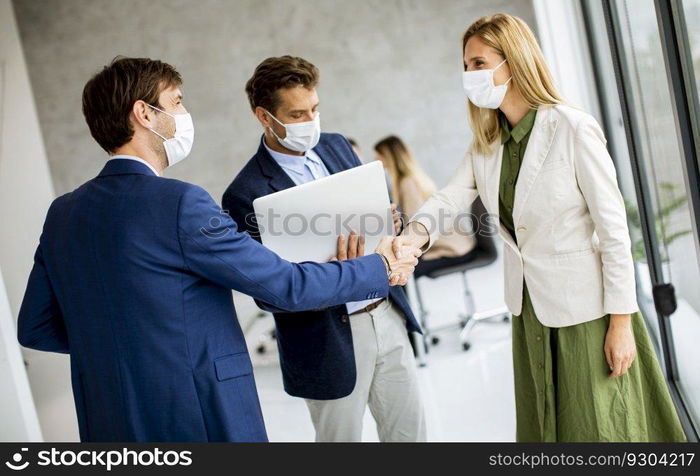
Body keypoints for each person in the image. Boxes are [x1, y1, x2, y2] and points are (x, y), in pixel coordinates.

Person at [16, 57, 420, 443]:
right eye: (176, 102)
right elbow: (284, 284)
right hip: (196, 407)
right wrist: (379, 265)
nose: (184, 113)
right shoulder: (180, 203)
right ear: (144, 113)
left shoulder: (63, 213)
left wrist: (125, 350)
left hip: (106, 413)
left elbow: (35, 325)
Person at [392, 14, 687, 442]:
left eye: (478, 63)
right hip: (529, 308)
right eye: (466, 65)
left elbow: (614, 231)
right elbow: (449, 197)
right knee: (548, 426)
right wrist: (408, 241)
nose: (468, 75)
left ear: (511, 62)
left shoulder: (571, 128)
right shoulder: (488, 142)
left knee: (601, 428)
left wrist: (621, 323)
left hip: (587, 312)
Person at [222, 56, 426, 442]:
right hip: (326, 338)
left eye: (314, 109)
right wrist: (337, 275)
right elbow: (268, 295)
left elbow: (372, 204)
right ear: (264, 116)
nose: (310, 121)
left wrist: (388, 223)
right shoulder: (244, 193)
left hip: (385, 312)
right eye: (297, 114)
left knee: (410, 435)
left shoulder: (335, 146)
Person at [374, 135, 476, 263]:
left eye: (379, 158)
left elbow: (415, 223)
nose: (377, 161)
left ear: (389, 158)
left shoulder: (407, 183)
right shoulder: (413, 177)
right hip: (461, 244)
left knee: (396, 265)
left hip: (452, 248)